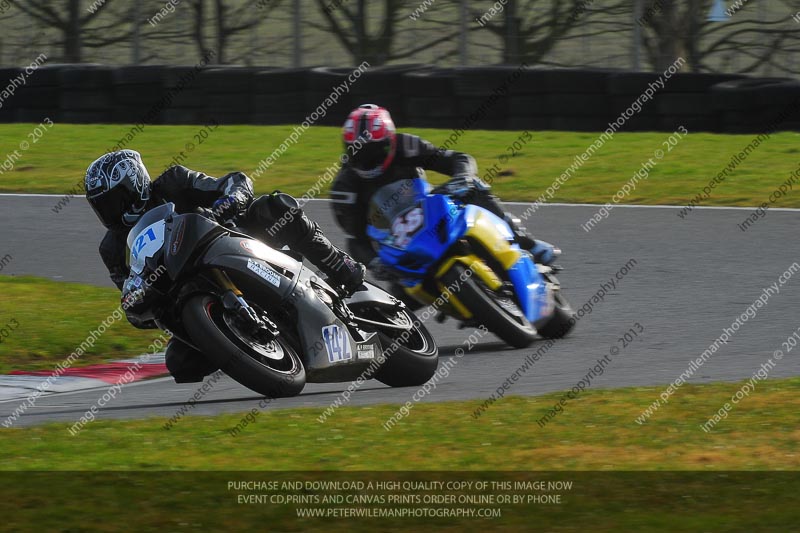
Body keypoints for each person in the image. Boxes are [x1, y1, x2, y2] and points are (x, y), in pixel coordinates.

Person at [84, 149, 364, 383]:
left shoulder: (174, 182)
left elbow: (236, 182)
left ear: (135, 185)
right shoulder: (111, 248)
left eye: (114, 201)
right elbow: (130, 295)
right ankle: (246, 346)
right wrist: (138, 304)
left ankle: (340, 264)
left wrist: (227, 203)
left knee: (276, 207)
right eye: (101, 206)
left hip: (238, 242)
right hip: (186, 293)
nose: (109, 212)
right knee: (180, 364)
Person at [330, 104, 559, 285]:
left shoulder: (407, 146)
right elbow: (355, 239)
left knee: (475, 188)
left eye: (374, 152)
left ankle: (525, 242)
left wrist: (463, 178)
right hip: (396, 241)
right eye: (358, 152)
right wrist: (374, 262)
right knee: (399, 297)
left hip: (427, 208)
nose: (367, 160)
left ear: (389, 142)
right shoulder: (345, 188)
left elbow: (459, 159)